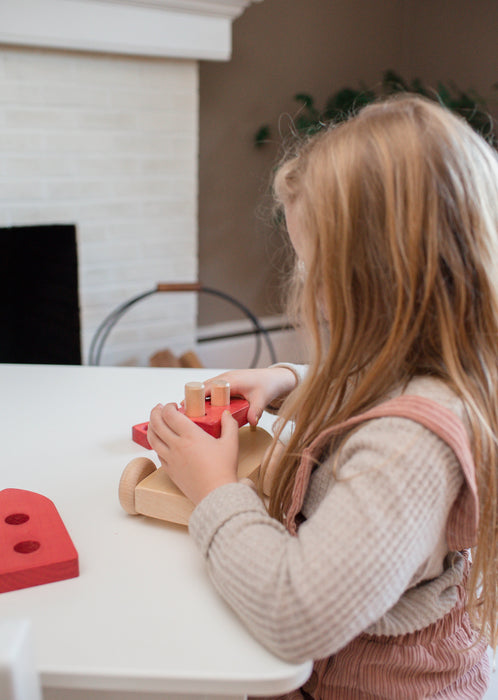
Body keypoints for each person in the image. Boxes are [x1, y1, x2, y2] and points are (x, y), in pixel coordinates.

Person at [147, 94, 498, 698]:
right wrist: (289, 381)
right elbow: (376, 384)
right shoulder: (429, 362)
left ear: (378, 275)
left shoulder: (410, 450)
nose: (304, 282)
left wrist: (214, 490)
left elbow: (296, 616)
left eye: (313, 264)